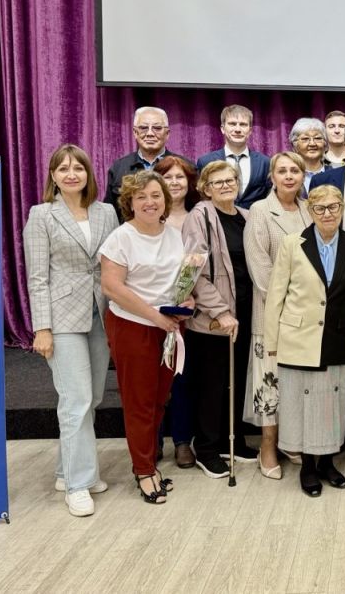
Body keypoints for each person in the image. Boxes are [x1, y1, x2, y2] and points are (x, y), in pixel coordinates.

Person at [23, 144, 119, 516]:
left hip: (101, 314)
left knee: (91, 398)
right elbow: (37, 278)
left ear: (88, 173)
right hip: (61, 319)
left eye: (77, 167)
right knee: (75, 400)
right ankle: (79, 485)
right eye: (63, 168)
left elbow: (114, 263)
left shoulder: (106, 212)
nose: (71, 174)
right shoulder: (42, 215)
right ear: (53, 176)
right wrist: (42, 328)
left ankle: (67, 472)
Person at [265, 185, 345, 497]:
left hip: (338, 338)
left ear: (342, 208)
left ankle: (327, 463)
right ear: (310, 211)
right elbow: (276, 293)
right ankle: (308, 467)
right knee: (302, 405)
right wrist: (272, 342)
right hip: (298, 338)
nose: (327, 213)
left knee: (332, 405)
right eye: (320, 208)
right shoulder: (292, 243)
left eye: (334, 206)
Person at [100, 170, 192, 505]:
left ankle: (148, 460)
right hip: (133, 326)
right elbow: (112, 287)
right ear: (130, 203)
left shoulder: (175, 235)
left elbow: (180, 280)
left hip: (168, 326)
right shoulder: (120, 238)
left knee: (158, 399)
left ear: (165, 200)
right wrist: (156, 317)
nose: (149, 202)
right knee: (139, 402)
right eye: (141, 197)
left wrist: (186, 300)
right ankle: (144, 471)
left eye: (155, 195)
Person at [178, 161, 256, 479]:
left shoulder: (246, 216)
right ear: (206, 189)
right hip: (213, 318)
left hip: (245, 312)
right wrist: (220, 311)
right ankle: (207, 449)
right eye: (217, 182)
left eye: (230, 180)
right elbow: (192, 270)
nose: (226, 185)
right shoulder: (199, 217)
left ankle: (230, 441)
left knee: (235, 381)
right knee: (211, 385)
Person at [245, 152, 313, 479]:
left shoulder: (309, 210)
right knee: (269, 382)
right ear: (272, 176)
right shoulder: (260, 211)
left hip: (306, 317)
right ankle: (268, 445)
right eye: (282, 171)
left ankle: (291, 440)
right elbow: (260, 268)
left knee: (296, 382)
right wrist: (287, 306)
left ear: (303, 176)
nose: (288, 176)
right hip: (271, 313)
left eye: (294, 171)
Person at [153, 156, 199, 468]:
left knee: (183, 379)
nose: (174, 182)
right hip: (150, 311)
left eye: (180, 177)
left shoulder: (199, 215)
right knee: (153, 379)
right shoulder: (149, 215)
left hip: (188, 311)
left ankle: (183, 441)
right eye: (167, 177)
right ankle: (153, 440)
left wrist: (188, 299)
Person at [105, 107, 190, 218]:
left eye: (157, 128)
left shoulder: (185, 166)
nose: (150, 133)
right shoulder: (119, 168)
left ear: (167, 133)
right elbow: (110, 213)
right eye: (143, 128)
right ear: (135, 132)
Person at [196, 105, 271, 209]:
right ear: (223, 129)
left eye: (243, 124)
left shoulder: (265, 162)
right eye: (232, 124)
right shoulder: (206, 161)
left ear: (250, 131)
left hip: (255, 218)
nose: (238, 129)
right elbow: (202, 197)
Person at [289, 117, 329, 188]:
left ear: (325, 144)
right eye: (305, 139)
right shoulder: (288, 175)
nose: (312, 144)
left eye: (317, 138)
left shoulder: (336, 173)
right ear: (295, 145)